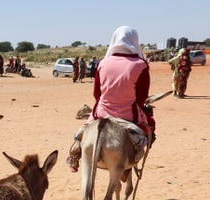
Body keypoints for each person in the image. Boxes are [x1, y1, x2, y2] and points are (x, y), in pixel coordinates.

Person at [66, 26, 155, 172]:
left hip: (102, 112)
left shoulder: (103, 63)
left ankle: (75, 154)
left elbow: (96, 94)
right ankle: (136, 156)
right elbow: (141, 97)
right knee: (150, 125)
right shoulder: (141, 65)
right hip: (128, 114)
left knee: (83, 131)